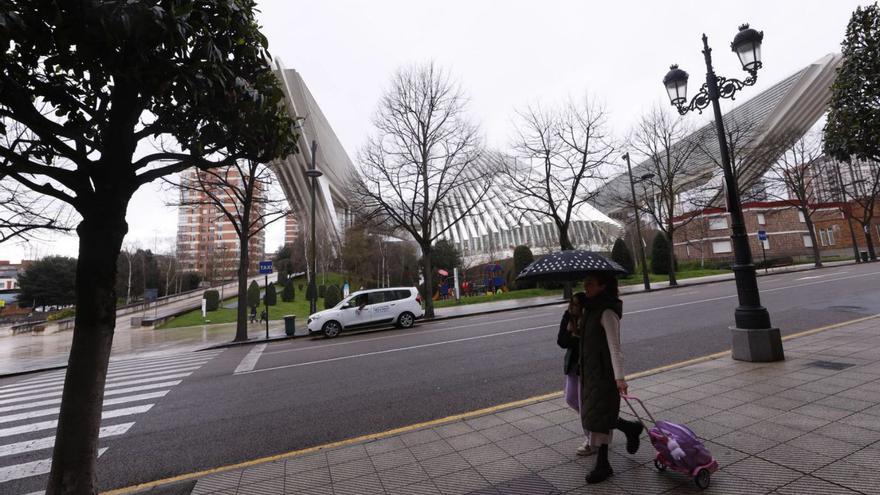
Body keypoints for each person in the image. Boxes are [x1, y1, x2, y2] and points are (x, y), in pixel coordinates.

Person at [578, 271, 643, 484]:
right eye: (585, 283)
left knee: (599, 417)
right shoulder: (590, 309)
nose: (586, 287)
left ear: (603, 286)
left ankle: (603, 464)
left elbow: (615, 348)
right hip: (591, 372)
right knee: (597, 414)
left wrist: (620, 378)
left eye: (590, 284)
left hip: (604, 375)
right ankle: (631, 428)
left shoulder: (607, 312)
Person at [557, 292, 593, 456]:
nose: (573, 307)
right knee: (571, 399)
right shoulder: (568, 316)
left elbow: (590, 343)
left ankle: (591, 440)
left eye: (576, 304)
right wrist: (573, 335)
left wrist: (576, 334)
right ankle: (603, 425)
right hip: (572, 365)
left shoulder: (589, 318)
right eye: (571, 303)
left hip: (585, 366)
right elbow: (561, 342)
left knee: (584, 405)